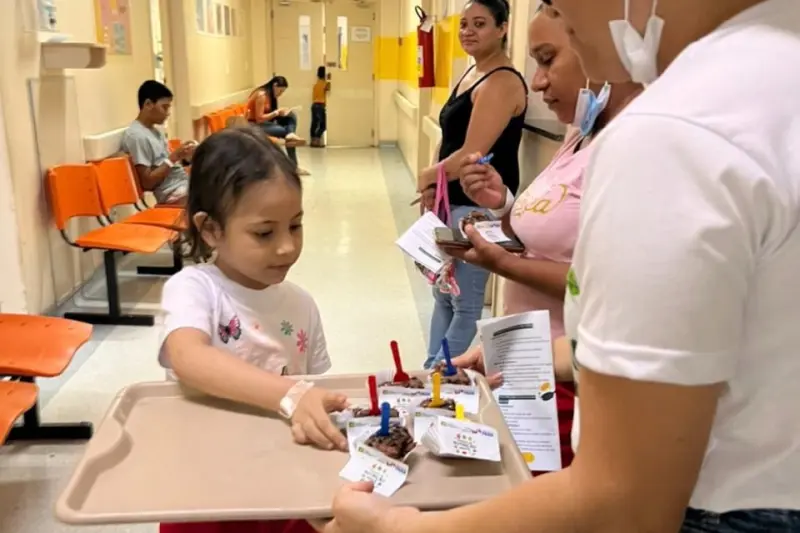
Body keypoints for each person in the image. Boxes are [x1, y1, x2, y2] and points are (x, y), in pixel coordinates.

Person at [324, 0, 800, 531]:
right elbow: (702, 333)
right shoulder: (775, 73)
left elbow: (624, 501)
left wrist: (397, 526)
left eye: (556, 39)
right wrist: (528, 351)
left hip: (720, 507)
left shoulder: (678, 129)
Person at [448, 6, 642, 470]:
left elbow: (604, 290)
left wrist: (502, 263)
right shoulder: (582, 130)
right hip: (526, 362)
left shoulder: (634, 148)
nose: (536, 82)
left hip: (572, 377)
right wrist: (502, 204)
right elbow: (540, 229)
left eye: (547, 59)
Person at [159, 127, 345, 533]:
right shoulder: (195, 289)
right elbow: (188, 358)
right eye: (264, 233)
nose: (286, 247)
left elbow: (313, 393)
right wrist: (290, 395)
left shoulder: (301, 304)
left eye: (295, 226)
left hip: (283, 486)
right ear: (210, 230)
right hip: (207, 489)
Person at [422, 0, 528, 369]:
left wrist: (426, 176)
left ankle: (441, 373)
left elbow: (472, 152)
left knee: (465, 302)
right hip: (451, 202)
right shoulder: (472, 74)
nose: (468, 30)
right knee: (442, 296)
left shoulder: (502, 81)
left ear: (502, 28)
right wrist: (434, 188)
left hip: (479, 206)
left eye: (480, 23)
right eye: (464, 23)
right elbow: (448, 138)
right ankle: (431, 367)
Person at [121, 80, 194, 205]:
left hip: (183, 184)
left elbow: (166, 165)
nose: (168, 113)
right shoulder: (137, 136)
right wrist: (174, 157)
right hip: (173, 193)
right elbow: (148, 183)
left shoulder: (155, 131)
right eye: (164, 107)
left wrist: (184, 156)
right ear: (148, 104)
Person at [247, 76, 310, 175]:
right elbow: (259, 119)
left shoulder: (270, 95)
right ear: (275, 86)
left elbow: (269, 115)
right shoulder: (261, 95)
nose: (280, 94)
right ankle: (293, 164)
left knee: (291, 116)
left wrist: (282, 113)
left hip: (264, 123)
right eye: (280, 91)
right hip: (254, 125)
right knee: (287, 135)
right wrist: (276, 113)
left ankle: (290, 134)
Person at [310, 66, 330, 147]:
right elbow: (329, 89)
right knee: (323, 125)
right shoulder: (325, 84)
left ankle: (313, 141)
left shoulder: (316, 84)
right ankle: (317, 141)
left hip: (314, 105)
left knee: (314, 124)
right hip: (321, 106)